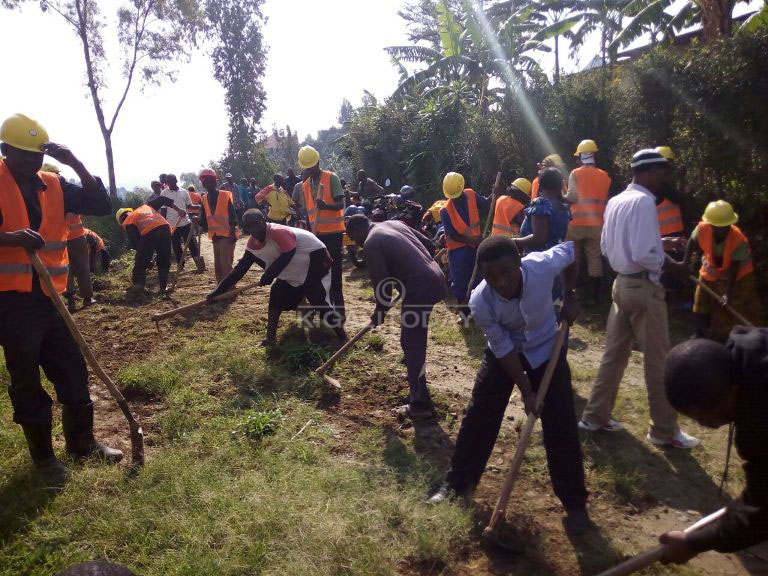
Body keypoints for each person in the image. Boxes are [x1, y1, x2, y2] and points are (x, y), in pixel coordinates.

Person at [428, 237, 590, 530]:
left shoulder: (541, 266)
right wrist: (527, 392)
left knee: (561, 422)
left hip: (545, 348)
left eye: (507, 272)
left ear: (519, 261)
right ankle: (457, 486)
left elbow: (572, 250)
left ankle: (575, 503)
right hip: (506, 354)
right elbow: (502, 349)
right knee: (480, 415)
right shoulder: (480, 300)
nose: (501, 282)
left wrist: (569, 294)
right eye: (491, 276)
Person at [0, 113, 121, 482]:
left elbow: (101, 204)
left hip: (52, 300)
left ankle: (82, 444)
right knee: (26, 379)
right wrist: (9, 238)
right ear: (5, 151)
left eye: (37, 155)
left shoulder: (53, 183)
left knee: (72, 368)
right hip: (12, 303)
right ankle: (44, 460)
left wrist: (77, 164)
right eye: (23, 155)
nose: (32, 162)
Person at [578, 149, 700, 449]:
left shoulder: (617, 200)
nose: (662, 179)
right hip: (645, 290)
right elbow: (645, 254)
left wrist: (660, 243)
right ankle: (664, 430)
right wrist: (672, 263)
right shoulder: (645, 201)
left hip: (621, 286)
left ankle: (594, 416)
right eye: (660, 173)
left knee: (613, 356)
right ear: (648, 173)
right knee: (658, 362)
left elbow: (608, 247)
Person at [659, 328, 768, 564]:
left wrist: (694, 543)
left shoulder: (761, 423)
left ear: (734, 392)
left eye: (707, 415)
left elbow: (761, 513)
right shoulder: (748, 357)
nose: (705, 425)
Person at [346, 214, 446, 419]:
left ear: (357, 231)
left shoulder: (372, 242)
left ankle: (420, 404)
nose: (357, 244)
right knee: (412, 341)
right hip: (435, 279)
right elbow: (429, 244)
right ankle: (417, 393)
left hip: (420, 288)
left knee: (412, 343)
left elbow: (384, 289)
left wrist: (379, 313)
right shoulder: (394, 223)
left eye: (354, 239)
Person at [207, 209, 345, 345]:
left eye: (255, 224)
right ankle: (270, 339)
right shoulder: (252, 245)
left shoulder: (278, 232)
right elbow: (239, 271)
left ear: (263, 221)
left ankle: (343, 338)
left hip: (316, 262)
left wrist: (269, 274)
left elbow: (289, 253)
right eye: (249, 227)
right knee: (277, 294)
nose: (253, 230)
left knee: (319, 300)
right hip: (294, 270)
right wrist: (217, 292)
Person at [683, 200, 761, 339]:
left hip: (738, 277)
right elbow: (692, 241)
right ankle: (700, 333)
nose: (722, 230)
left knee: (732, 308)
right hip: (711, 270)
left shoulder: (738, 239)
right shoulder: (702, 228)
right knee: (701, 301)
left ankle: (736, 338)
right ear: (710, 224)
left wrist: (727, 292)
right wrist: (685, 263)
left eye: (725, 227)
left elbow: (734, 266)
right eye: (717, 227)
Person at [297, 145, 347, 325]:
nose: (309, 170)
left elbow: (341, 204)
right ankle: (326, 311)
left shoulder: (331, 178)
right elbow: (309, 213)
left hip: (333, 235)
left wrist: (326, 206)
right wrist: (310, 233)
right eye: (306, 167)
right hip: (316, 236)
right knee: (320, 274)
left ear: (318, 162)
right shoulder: (304, 185)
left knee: (334, 275)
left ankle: (340, 314)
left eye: (311, 166)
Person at [566, 139, 611, 304]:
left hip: (576, 223)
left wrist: (561, 196)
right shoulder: (605, 176)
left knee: (573, 257)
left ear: (580, 157)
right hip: (597, 224)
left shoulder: (575, 173)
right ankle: (594, 297)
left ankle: (573, 292)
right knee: (595, 259)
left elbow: (572, 196)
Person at [439, 171, 491, 310]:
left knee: (479, 275)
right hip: (458, 251)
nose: (455, 199)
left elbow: (486, 205)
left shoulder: (471, 194)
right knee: (460, 280)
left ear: (462, 188)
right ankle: (464, 309)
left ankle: (479, 306)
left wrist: (494, 193)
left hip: (475, 246)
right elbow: (451, 235)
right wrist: (471, 240)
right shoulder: (445, 210)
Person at [117, 196, 179, 294]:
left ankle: (138, 287)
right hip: (165, 227)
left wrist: (145, 260)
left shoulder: (128, 221)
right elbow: (162, 199)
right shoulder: (145, 207)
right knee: (163, 259)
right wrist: (178, 209)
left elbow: (136, 243)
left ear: (121, 220)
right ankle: (163, 288)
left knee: (140, 262)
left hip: (151, 231)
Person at [516, 169, 570, 255]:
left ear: (540, 186)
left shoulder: (541, 203)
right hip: (557, 256)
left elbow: (539, 239)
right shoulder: (563, 207)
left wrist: (513, 242)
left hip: (538, 259)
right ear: (560, 186)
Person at [198, 168, 238, 283]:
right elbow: (204, 219)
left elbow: (233, 216)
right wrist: (198, 222)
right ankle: (221, 288)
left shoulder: (225, 196)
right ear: (203, 184)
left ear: (215, 182)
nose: (208, 184)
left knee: (226, 265)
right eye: (206, 182)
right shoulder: (204, 198)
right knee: (218, 265)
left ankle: (229, 287)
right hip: (215, 236)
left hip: (227, 234)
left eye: (211, 181)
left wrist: (232, 233)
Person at [161, 174, 204, 273]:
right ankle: (181, 266)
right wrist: (164, 224)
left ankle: (199, 264)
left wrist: (199, 207)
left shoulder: (184, 192)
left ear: (175, 181)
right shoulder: (164, 193)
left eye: (170, 181)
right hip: (172, 224)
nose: (168, 184)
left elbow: (189, 206)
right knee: (176, 247)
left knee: (192, 243)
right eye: (167, 182)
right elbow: (163, 210)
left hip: (185, 222)